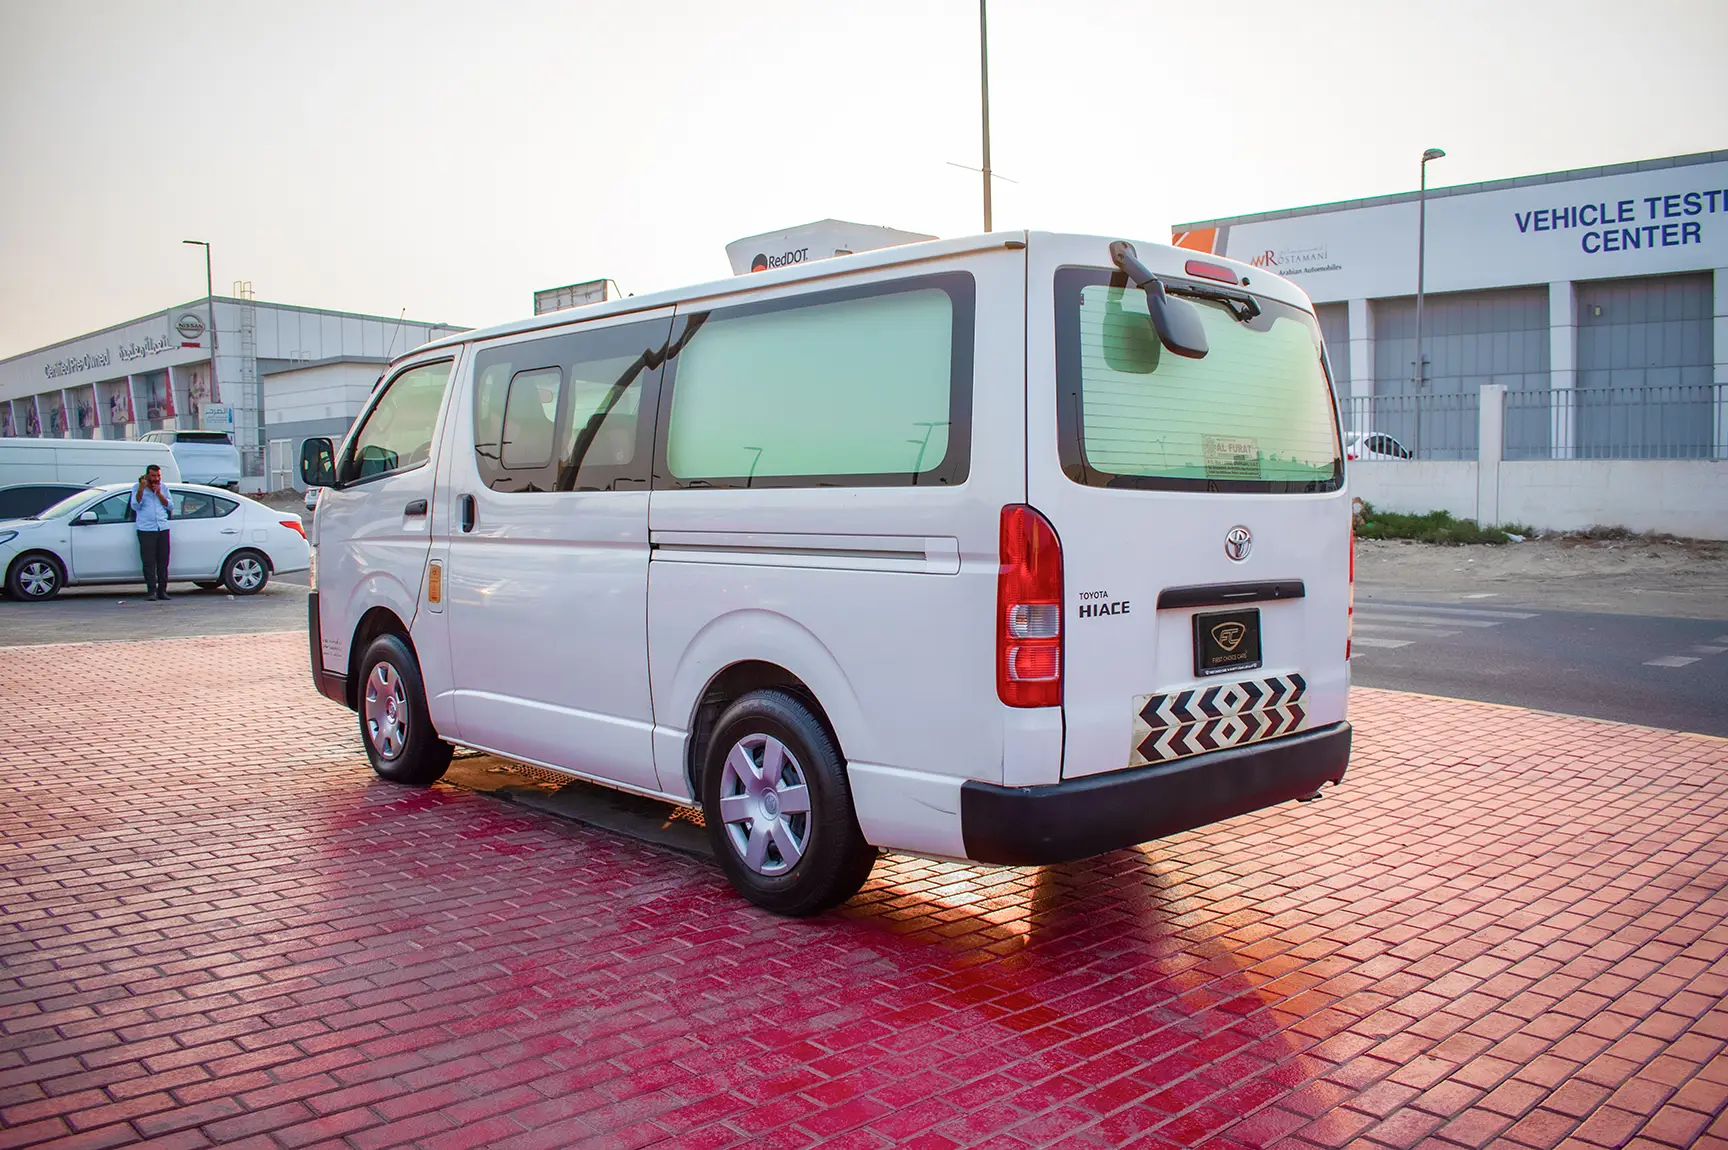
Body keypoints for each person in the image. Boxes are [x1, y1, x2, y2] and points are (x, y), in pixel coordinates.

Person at [129, 465, 173, 601]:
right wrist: (141, 490)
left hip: (162, 527)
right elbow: (135, 506)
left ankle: (163, 591)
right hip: (146, 529)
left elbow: (170, 505)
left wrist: (159, 493)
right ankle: (151, 590)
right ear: (147, 475)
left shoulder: (163, 487)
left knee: (163, 561)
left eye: (158, 476)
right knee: (149, 562)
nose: (156, 478)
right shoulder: (137, 487)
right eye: (153, 476)